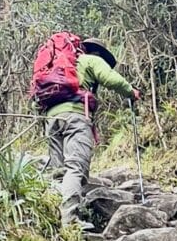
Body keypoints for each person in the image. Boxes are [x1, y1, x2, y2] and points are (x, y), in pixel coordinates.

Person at [29, 32, 138, 225]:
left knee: (58, 171)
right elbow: (111, 79)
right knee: (75, 169)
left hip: (52, 119)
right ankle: (70, 221)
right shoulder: (91, 60)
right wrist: (131, 92)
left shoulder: (63, 64)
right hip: (76, 118)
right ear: (100, 54)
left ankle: (54, 218)